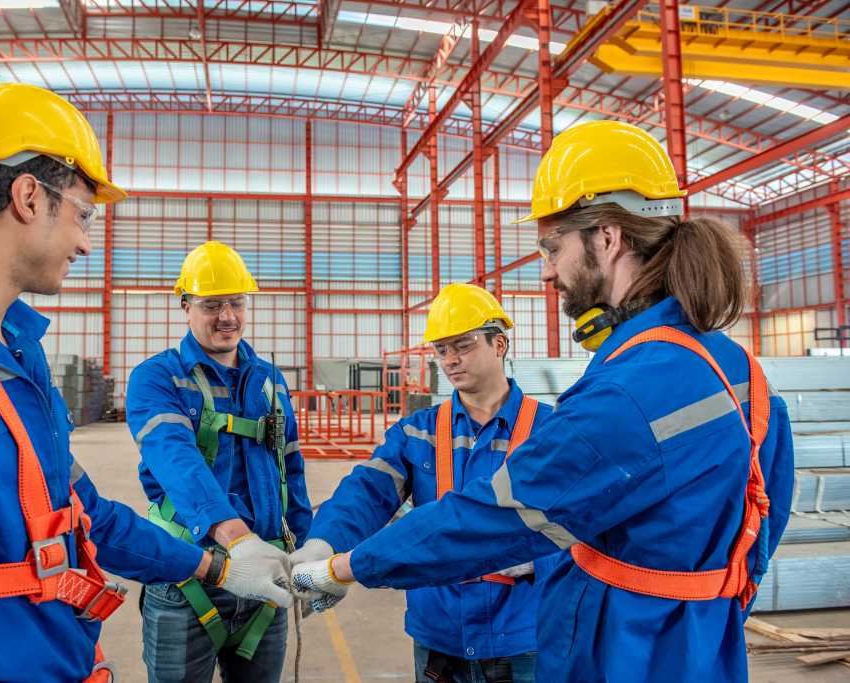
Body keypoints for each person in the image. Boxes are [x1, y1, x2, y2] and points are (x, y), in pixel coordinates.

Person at [292, 120, 795, 682]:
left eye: (554, 246)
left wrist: (346, 567)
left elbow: (493, 517)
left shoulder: (624, 394)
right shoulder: (740, 372)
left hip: (623, 654)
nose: (549, 269)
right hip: (700, 648)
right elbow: (761, 525)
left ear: (607, 238)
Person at [0, 83, 290, 683]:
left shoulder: (19, 356)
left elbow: (83, 513)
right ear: (27, 197)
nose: (86, 243)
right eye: (83, 214)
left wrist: (217, 569)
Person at [289, 283, 557, 683]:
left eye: (463, 345)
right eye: (442, 349)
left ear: (499, 344)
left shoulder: (549, 430)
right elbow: (367, 490)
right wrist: (320, 545)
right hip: (439, 636)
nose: (450, 360)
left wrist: (539, 558)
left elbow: (587, 525)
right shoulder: (419, 434)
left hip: (522, 636)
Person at [126, 240, 312, 682]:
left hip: (265, 576)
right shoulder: (157, 378)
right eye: (212, 305)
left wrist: (306, 549)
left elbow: (290, 465)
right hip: (191, 575)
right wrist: (235, 539)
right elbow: (175, 459)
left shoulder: (268, 379)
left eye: (236, 303)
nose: (227, 317)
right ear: (186, 307)